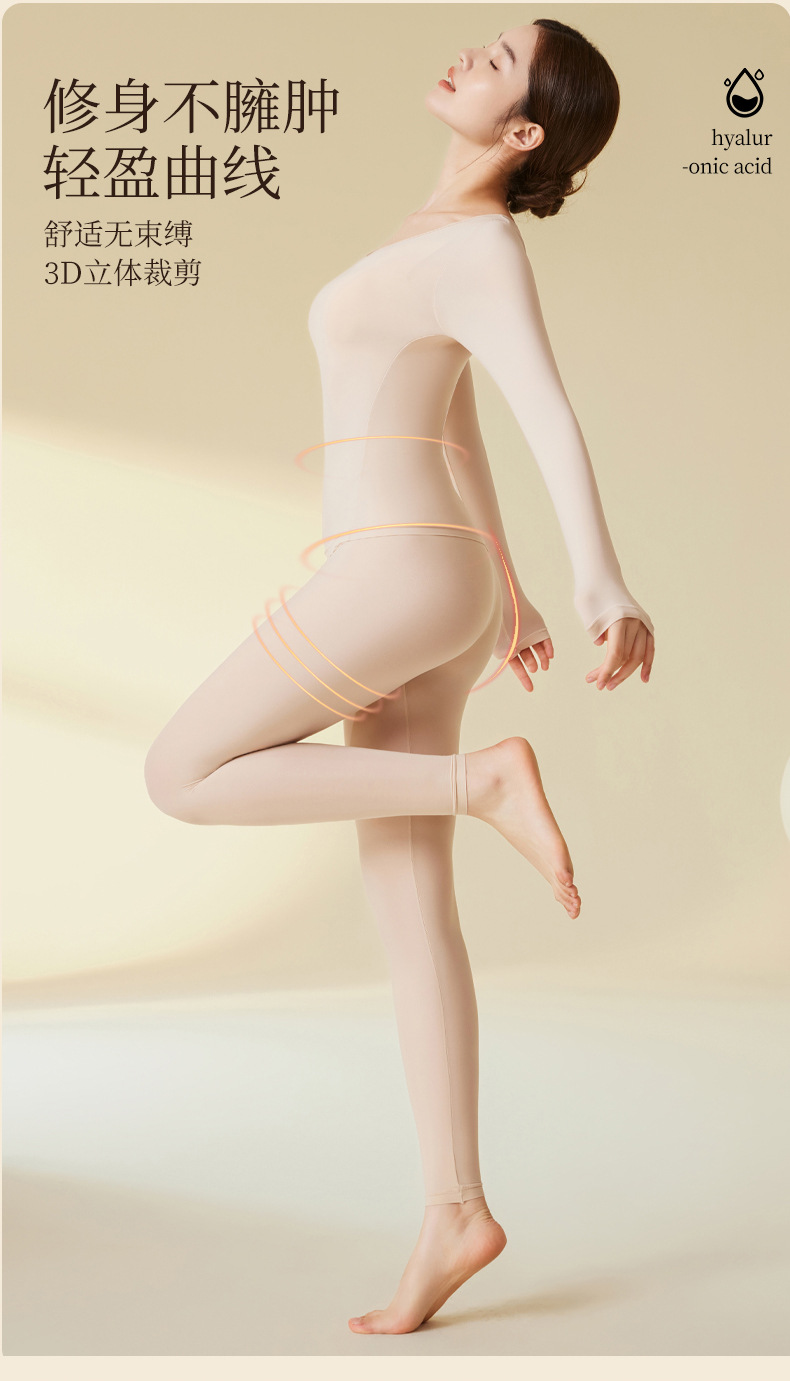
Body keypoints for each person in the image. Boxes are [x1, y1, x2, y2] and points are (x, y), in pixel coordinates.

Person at [144, 18, 655, 1334]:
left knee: (182, 772)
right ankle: (453, 1210)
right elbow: (455, 418)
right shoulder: (435, 241)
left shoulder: (482, 249)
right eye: (483, 43)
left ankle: (484, 782)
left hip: (393, 574)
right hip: (439, 573)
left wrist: (599, 583)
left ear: (522, 133)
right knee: (410, 906)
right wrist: (515, 589)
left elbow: (545, 409)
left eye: (498, 63)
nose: (468, 57)